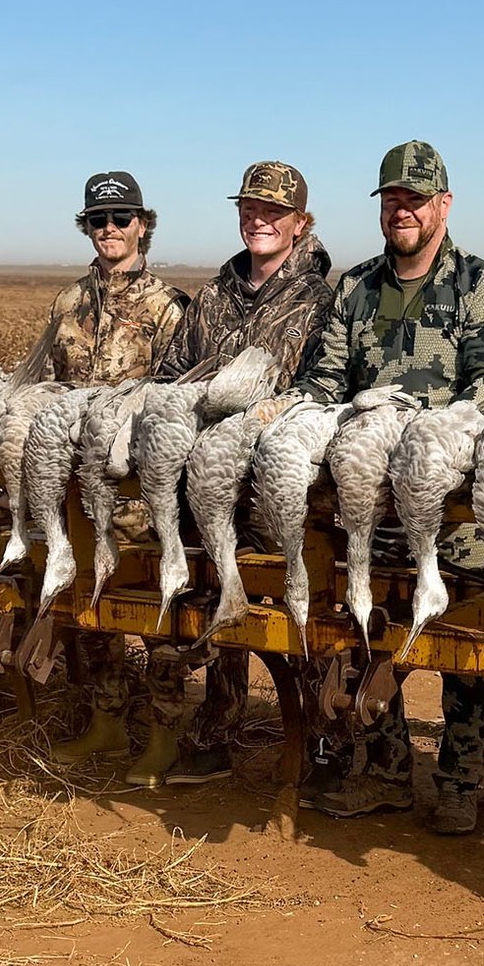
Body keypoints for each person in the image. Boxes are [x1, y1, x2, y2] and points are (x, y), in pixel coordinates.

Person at [291, 141, 484, 836]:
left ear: (443, 205)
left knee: (468, 636)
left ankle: (458, 780)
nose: (403, 210)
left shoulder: (479, 284)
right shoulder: (355, 289)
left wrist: (428, 436)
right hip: (369, 497)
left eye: (416, 199)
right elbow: (323, 383)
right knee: (361, 621)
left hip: (452, 501)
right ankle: (386, 770)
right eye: (392, 199)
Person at [153, 160, 335, 786]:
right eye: (249, 209)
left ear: (300, 222)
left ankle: (317, 738)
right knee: (211, 591)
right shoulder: (213, 295)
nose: (258, 219)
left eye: (273, 212)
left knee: (296, 601)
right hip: (202, 477)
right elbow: (171, 371)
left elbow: (320, 388)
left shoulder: (320, 299)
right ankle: (219, 719)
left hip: (274, 479)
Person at [38, 172, 192, 787]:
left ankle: (163, 735)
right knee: (88, 610)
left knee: (158, 616)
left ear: (143, 225)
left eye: (122, 218)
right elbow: (50, 388)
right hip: (79, 492)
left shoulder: (171, 308)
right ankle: (105, 721)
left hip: (143, 499)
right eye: (99, 220)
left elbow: (180, 403)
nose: (110, 229)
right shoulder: (66, 304)